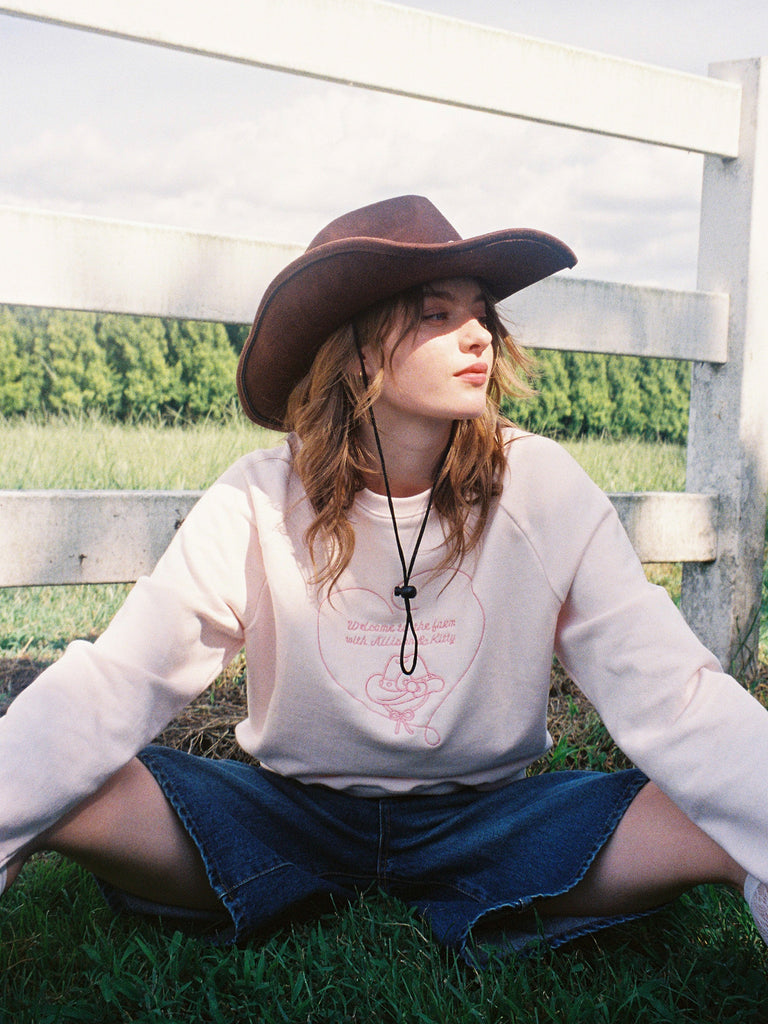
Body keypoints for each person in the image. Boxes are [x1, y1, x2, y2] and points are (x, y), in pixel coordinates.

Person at [1, 194, 767, 963]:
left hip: (491, 822)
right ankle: (296, 880)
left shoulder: (542, 488)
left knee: (703, 813)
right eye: (437, 315)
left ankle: (402, 890)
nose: (479, 336)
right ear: (361, 350)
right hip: (284, 816)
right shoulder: (259, 496)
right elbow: (120, 678)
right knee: (79, 782)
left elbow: (672, 694)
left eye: (482, 315)